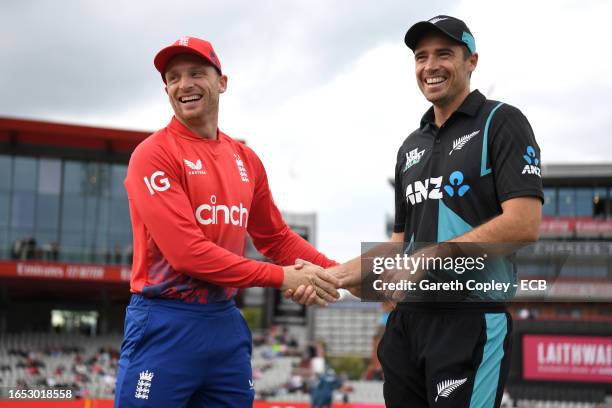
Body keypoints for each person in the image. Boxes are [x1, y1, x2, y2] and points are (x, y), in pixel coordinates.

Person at [294, 15, 543, 408]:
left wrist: (431, 255)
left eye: (444, 54)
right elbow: (399, 246)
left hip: (469, 321)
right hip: (407, 325)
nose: (430, 66)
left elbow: (524, 224)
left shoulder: (502, 121)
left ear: (471, 61)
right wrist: (333, 276)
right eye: (421, 56)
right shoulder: (411, 146)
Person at [115, 36, 341, 408]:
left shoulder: (245, 159)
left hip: (224, 323)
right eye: (173, 77)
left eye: (196, 73)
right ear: (166, 89)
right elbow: (188, 254)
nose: (184, 84)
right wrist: (285, 277)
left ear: (222, 82)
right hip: (164, 321)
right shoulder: (153, 155)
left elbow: (278, 240)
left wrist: (342, 274)